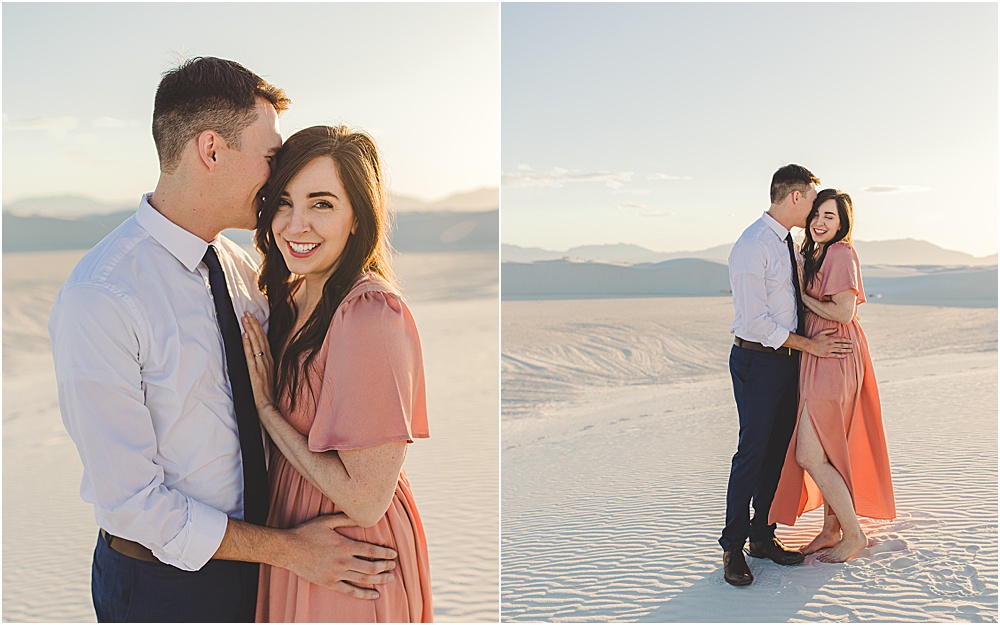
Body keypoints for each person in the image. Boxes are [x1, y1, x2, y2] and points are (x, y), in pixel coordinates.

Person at [49, 57, 397, 622]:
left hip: (266, 570)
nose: (277, 176)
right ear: (211, 150)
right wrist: (292, 552)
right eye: (269, 157)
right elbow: (134, 506)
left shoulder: (237, 268)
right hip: (169, 589)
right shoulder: (103, 296)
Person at [240, 125, 433, 622]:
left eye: (321, 204)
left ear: (356, 217)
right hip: (301, 545)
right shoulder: (292, 297)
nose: (295, 224)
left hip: (352, 560)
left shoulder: (369, 312)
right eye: (284, 202)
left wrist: (266, 410)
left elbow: (367, 501)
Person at [721, 164, 854, 587]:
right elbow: (757, 323)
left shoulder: (789, 244)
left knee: (778, 451)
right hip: (757, 361)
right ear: (795, 197)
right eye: (814, 200)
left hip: (787, 363)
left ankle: (762, 537)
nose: (816, 209)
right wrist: (812, 346)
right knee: (752, 453)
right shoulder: (752, 245)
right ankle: (733, 547)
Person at [768, 189, 895, 563]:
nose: (820, 223)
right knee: (828, 446)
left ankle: (853, 534)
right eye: (817, 215)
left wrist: (800, 293)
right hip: (818, 354)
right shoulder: (814, 252)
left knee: (809, 452)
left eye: (830, 217)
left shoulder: (841, 253)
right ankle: (831, 528)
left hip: (836, 354)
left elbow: (842, 312)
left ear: (843, 225)